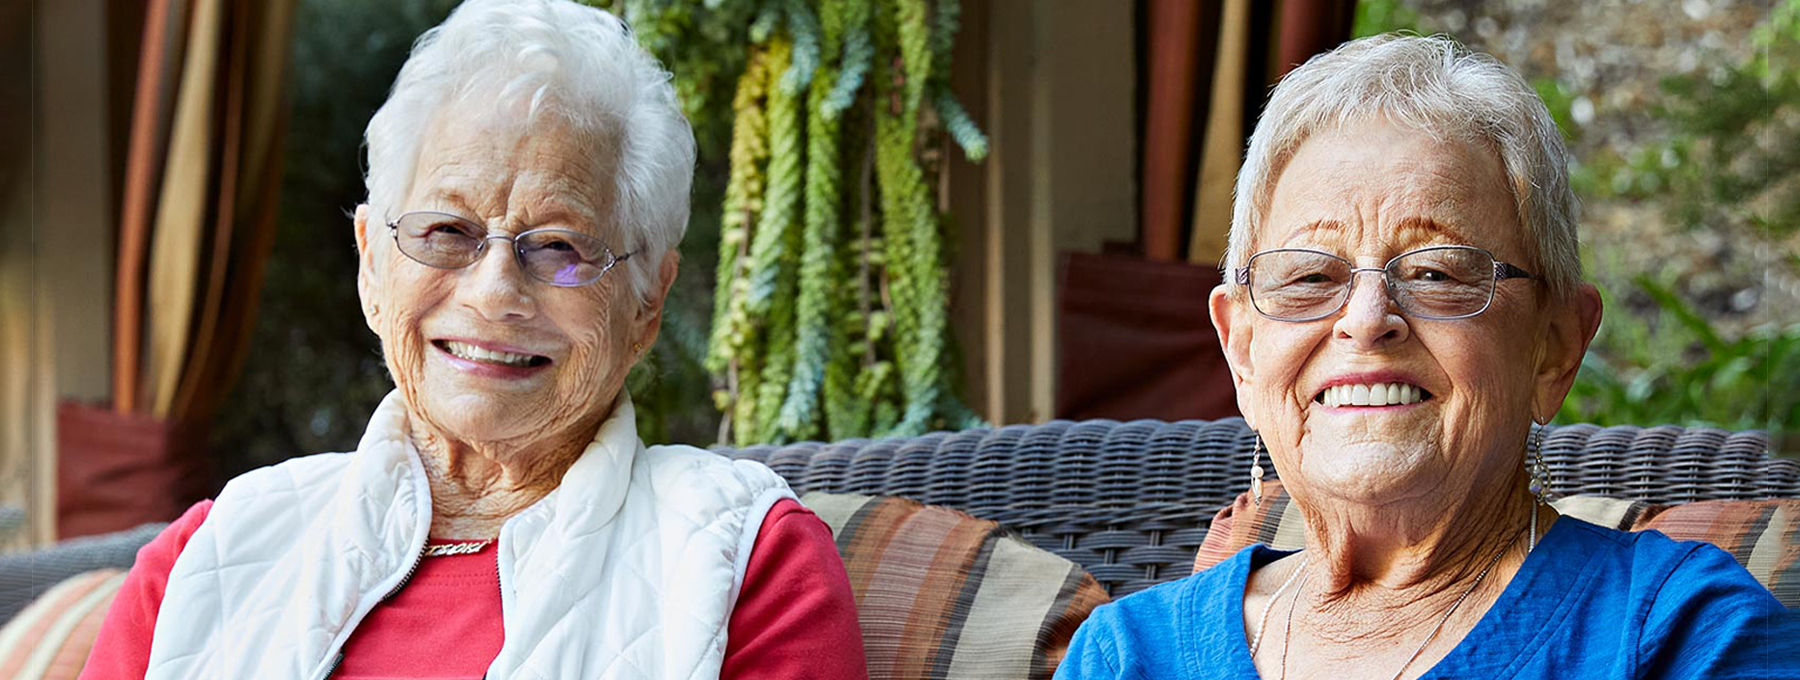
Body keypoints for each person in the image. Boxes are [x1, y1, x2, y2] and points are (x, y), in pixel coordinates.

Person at [79, 1, 866, 678]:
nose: (493, 292)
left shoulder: (744, 562)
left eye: (559, 246)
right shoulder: (207, 557)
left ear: (646, 303)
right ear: (370, 266)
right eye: (446, 230)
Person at [1057, 33, 1798, 679]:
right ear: (1242, 351)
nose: (1367, 320)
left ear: (1555, 346)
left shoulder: (1676, 632)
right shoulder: (1128, 654)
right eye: (1310, 276)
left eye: (1438, 272)